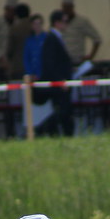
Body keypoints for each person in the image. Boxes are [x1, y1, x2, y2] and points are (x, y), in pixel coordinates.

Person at [37, 9, 75, 137]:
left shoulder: (56, 38)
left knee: (64, 111)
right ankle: (42, 129)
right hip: (58, 84)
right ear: (56, 23)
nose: (66, 24)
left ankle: (56, 132)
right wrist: (59, 80)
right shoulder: (51, 39)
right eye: (65, 21)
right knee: (63, 111)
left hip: (62, 82)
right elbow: (49, 63)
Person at [61, 0, 102, 66]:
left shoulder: (82, 21)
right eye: (64, 8)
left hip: (77, 59)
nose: (66, 11)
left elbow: (97, 39)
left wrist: (91, 56)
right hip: (63, 60)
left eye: (68, 8)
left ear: (72, 7)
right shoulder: (61, 22)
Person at [7, 3, 33, 80]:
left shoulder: (14, 29)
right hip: (33, 65)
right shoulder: (33, 27)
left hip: (18, 66)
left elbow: (9, 50)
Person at [23, 13, 47, 79]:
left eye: (39, 23)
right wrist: (30, 73)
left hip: (44, 73)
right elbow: (26, 58)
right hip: (32, 74)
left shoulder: (46, 38)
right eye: (35, 24)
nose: (37, 26)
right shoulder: (29, 40)